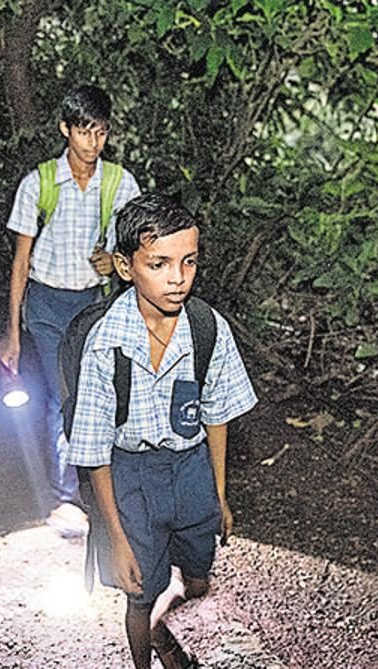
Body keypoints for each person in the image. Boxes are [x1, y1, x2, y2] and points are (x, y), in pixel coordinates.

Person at [65, 194, 258, 668]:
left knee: (198, 579)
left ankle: (162, 629)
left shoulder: (206, 328)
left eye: (188, 261)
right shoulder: (105, 343)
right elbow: (94, 453)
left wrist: (219, 493)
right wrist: (117, 537)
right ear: (126, 267)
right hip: (131, 476)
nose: (178, 278)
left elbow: (217, 415)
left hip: (190, 465)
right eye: (160, 263)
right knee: (139, 592)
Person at [0, 84, 140, 536]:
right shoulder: (38, 184)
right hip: (45, 306)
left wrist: (112, 260)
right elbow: (21, 261)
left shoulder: (120, 184)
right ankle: (68, 498)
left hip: (93, 305)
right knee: (64, 396)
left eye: (100, 133)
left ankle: (102, 484)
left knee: (99, 394)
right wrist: (14, 333)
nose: (93, 143)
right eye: (84, 132)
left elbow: (133, 252)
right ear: (65, 130)